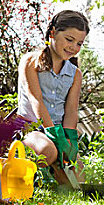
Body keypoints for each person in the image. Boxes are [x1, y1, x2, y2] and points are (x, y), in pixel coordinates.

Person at [14, 10, 89, 184]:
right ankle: (18, 177)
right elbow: (36, 99)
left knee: (79, 175)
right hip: (30, 129)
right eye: (69, 40)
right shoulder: (30, 62)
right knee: (48, 151)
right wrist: (52, 133)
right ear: (53, 32)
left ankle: (51, 176)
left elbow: (71, 110)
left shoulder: (75, 74)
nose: (73, 47)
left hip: (59, 133)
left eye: (79, 43)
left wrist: (69, 137)